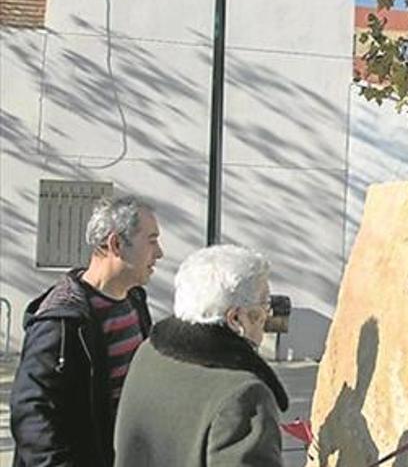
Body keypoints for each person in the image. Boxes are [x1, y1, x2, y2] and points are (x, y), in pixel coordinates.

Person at [10, 196, 163, 467]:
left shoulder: (135, 301)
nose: (159, 253)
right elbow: (32, 416)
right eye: (151, 240)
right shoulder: (61, 319)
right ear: (116, 244)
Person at [114, 245, 288, 467]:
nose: (268, 315)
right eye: (265, 305)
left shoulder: (147, 351)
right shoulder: (244, 393)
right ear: (236, 319)